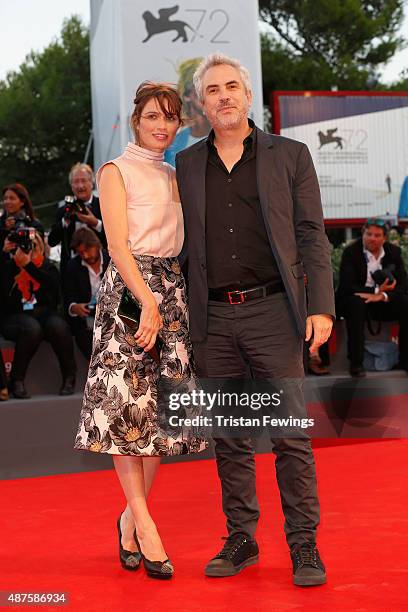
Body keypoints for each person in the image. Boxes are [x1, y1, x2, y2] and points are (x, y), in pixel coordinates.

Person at [175, 53, 335, 586]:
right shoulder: (187, 163)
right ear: (201, 103)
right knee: (231, 437)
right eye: (212, 89)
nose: (222, 96)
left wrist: (321, 307)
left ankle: (304, 544)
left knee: (290, 435)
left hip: (273, 311)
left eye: (231, 86)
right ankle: (241, 539)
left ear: (248, 94)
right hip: (213, 318)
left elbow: (312, 234)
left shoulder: (290, 155)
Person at [74, 82, 207, 579]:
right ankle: (147, 525)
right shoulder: (115, 171)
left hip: (172, 291)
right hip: (131, 294)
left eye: (170, 118)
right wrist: (146, 302)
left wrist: (165, 301)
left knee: (161, 417)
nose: (162, 125)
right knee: (124, 410)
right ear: (136, 120)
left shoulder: (175, 174)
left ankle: (129, 517)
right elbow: (117, 244)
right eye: (153, 115)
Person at [0, 230, 77, 398]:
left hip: (44, 313)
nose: (29, 250)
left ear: (41, 248)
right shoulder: (8, 267)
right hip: (15, 316)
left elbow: (53, 289)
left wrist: (29, 266)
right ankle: (16, 380)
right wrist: (6, 255)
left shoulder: (48, 266)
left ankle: (69, 377)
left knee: (59, 327)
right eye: (26, 247)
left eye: (33, 247)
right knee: (32, 328)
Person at [336, 218, 408, 377]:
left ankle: (405, 360)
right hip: (355, 300)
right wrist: (375, 290)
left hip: (382, 301)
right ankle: (356, 363)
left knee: (405, 302)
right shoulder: (351, 252)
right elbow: (348, 286)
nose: (372, 238)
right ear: (363, 233)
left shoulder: (393, 252)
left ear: (384, 238)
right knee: (356, 303)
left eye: (377, 235)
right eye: (369, 234)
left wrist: (381, 295)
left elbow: (403, 285)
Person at [47, 163, 106, 276]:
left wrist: (96, 223)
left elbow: (115, 238)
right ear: (71, 186)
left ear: (91, 183)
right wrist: (65, 222)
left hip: (101, 269)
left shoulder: (103, 205)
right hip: (72, 272)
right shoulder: (63, 210)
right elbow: (52, 241)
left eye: (83, 180)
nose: (80, 186)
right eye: (76, 182)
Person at [63, 228, 110, 360]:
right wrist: (74, 307)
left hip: (113, 316)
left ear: (96, 245)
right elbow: (68, 298)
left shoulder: (111, 259)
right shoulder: (73, 266)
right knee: (85, 339)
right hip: (87, 323)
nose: (85, 256)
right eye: (80, 252)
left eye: (87, 250)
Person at [0, 183, 44, 255]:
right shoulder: (1, 223)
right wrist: (5, 230)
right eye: (5, 198)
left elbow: (39, 254)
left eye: (12, 198)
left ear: (22, 202)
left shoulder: (34, 224)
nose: (7, 201)